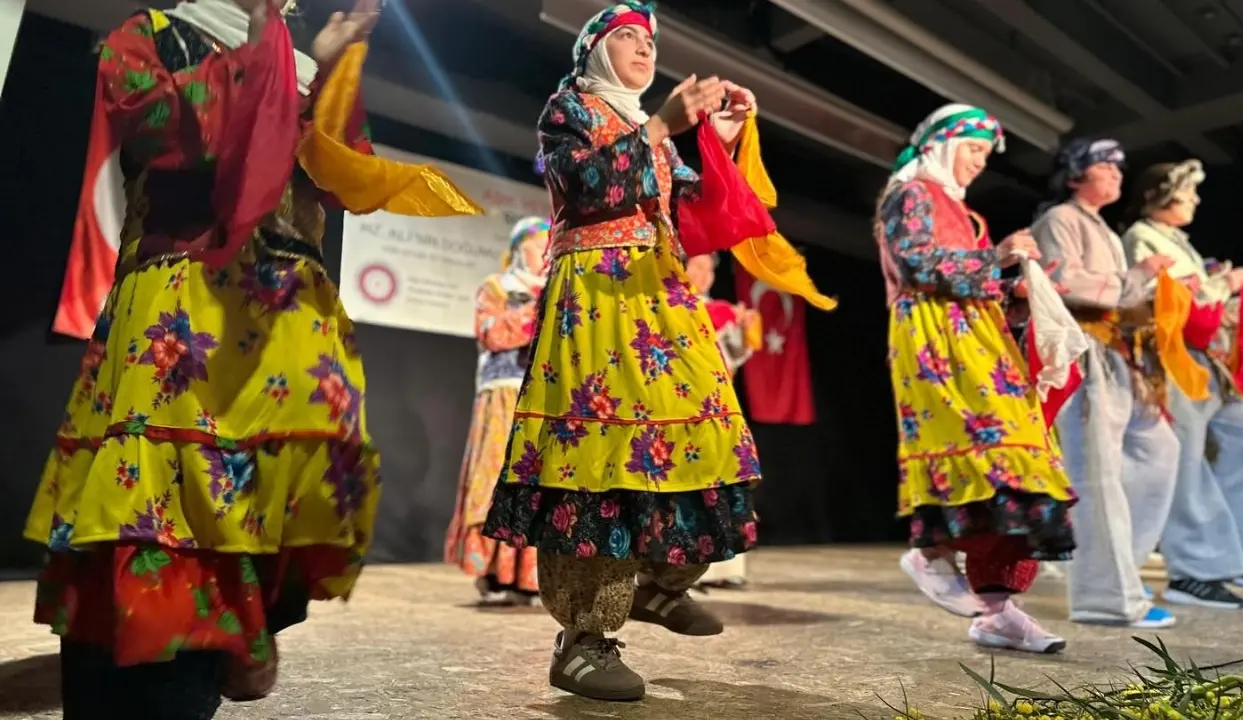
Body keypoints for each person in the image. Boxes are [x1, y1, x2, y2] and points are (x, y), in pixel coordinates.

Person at [21, 0, 481, 716]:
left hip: (288, 316)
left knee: (261, 509)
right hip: (187, 309)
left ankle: (231, 639)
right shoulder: (148, 37)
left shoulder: (291, 60)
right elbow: (174, 136)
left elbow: (339, 174)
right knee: (166, 519)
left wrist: (326, 65)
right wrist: (276, 56)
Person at [481, 2, 765, 702]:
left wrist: (717, 139)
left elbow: (690, 213)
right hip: (598, 299)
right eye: (627, 38)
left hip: (661, 300)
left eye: (649, 40)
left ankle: (658, 586)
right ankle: (583, 639)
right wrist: (664, 125)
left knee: (706, 443)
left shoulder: (650, 132)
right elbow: (589, 188)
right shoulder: (567, 109)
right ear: (595, 52)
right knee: (602, 463)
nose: (643, 47)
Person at [880, 103, 1076, 654]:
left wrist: (1015, 294)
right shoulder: (911, 194)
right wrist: (996, 259)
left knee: (1022, 460)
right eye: (972, 149)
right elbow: (917, 264)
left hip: (979, 340)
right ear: (941, 145)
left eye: (986, 155)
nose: (979, 162)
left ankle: (997, 612)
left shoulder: (968, 214)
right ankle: (931, 552)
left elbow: (973, 280)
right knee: (973, 451)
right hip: (932, 338)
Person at [1031, 139, 1181, 629]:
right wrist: (1137, 277)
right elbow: (1060, 282)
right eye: (1104, 167)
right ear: (1076, 176)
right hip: (1083, 352)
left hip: (1118, 355)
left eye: (1120, 168)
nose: (1116, 175)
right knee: (1095, 477)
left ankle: (1123, 575)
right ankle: (1105, 599)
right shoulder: (1059, 220)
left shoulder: (1106, 232)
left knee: (1160, 452)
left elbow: (1122, 295)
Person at [1123, 160, 1243, 608]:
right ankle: (1191, 571)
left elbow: (1195, 297)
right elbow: (1162, 299)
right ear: (1161, 196)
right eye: (1188, 193)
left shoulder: (1177, 242)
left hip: (1208, 361)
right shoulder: (1141, 237)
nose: (1195, 200)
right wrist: (1225, 283)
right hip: (1173, 356)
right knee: (1186, 460)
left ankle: (1238, 554)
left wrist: (1221, 298)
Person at [445, 217, 550, 605]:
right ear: (521, 247)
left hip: (542, 401)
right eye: (539, 244)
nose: (544, 252)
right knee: (496, 479)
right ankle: (495, 572)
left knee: (537, 485)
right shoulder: (497, 287)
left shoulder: (556, 291)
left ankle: (531, 576)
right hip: (503, 396)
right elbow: (491, 332)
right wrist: (533, 314)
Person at [684, 253, 761, 590]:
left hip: (719, 405)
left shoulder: (721, 310)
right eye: (696, 266)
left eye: (709, 269)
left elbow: (738, 353)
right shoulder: (673, 307)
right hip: (683, 405)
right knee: (690, 484)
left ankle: (724, 566)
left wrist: (745, 327)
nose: (704, 275)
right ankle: (684, 569)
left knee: (724, 482)